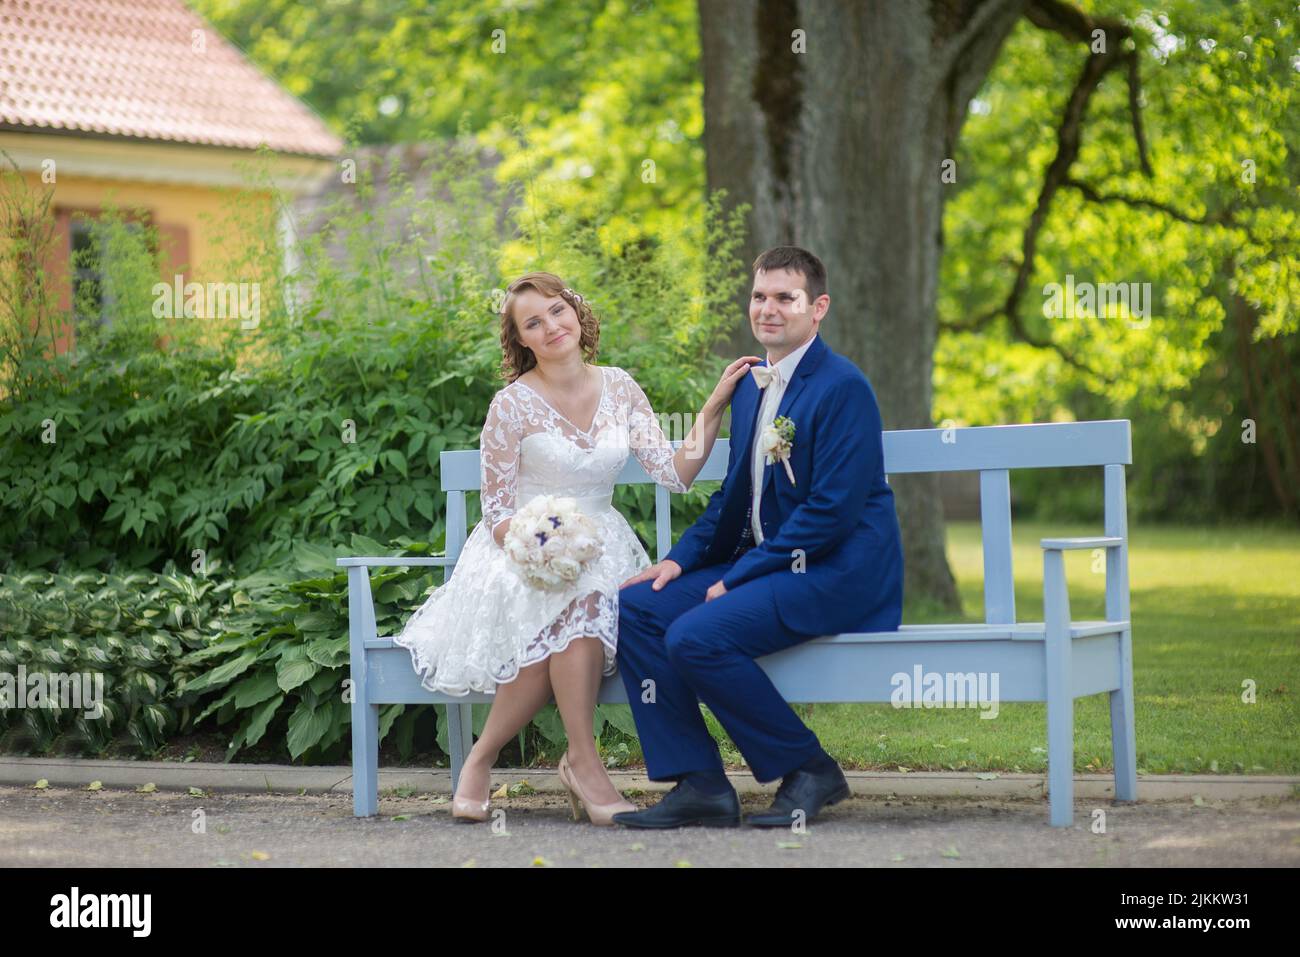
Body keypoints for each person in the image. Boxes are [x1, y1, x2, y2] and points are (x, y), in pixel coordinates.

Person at [392, 271, 757, 825]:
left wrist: (712, 407)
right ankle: (573, 763)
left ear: (576, 313)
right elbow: (495, 510)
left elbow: (675, 474)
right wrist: (533, 548)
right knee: (569, 606)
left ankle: (493, 760)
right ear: (522, 341)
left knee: (584, 602)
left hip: (601, 545)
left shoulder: (620, 386)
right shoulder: (510, 405)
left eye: (557, 311)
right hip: (518, 550)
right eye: (533, 323)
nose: (551, 326)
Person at [613, 246, 904, 829]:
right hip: (771, 566)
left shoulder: (844, 387)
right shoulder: (750, 386)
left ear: (817, 307)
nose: (768, 309)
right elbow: (733, 501)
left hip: (837, 571)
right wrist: (679, 562)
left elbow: (830, 514)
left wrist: (735, 577)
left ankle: (809, 768)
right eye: (759, 296)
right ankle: (699, 784)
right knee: (639, 605)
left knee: (696, 635)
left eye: (784, 298)